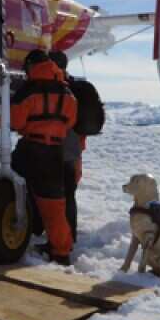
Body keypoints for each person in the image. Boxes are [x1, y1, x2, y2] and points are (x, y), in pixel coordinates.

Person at [0, 50, 78, 264]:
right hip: (54, 153)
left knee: (2, 190)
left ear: (31, 66)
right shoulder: (67, 93)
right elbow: (70, 121)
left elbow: (14, 121)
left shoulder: (28, 90)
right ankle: (61, 252)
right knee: (54, 205)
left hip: (30, 149)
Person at [50, 51, 87, 244]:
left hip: (55, 146)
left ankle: (59, 239)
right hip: (74, 147)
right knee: (68, 195)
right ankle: (69, 235)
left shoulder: (53, 87)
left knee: (52, 194)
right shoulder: (77, 87)